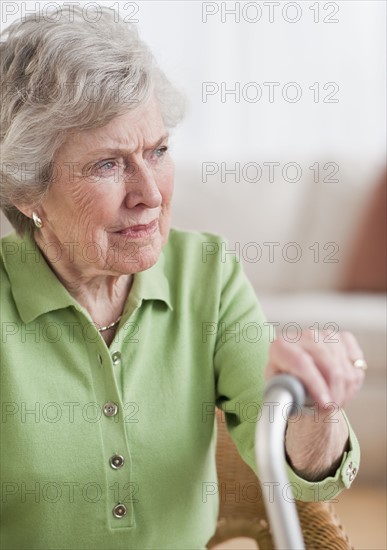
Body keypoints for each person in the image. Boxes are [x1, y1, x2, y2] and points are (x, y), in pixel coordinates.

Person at [0, 7, 367, 549]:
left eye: (159, 151)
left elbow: (299, 473)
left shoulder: (208, 275)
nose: (149, 192)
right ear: (27, 190)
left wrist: (317, 408)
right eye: (108, 164)